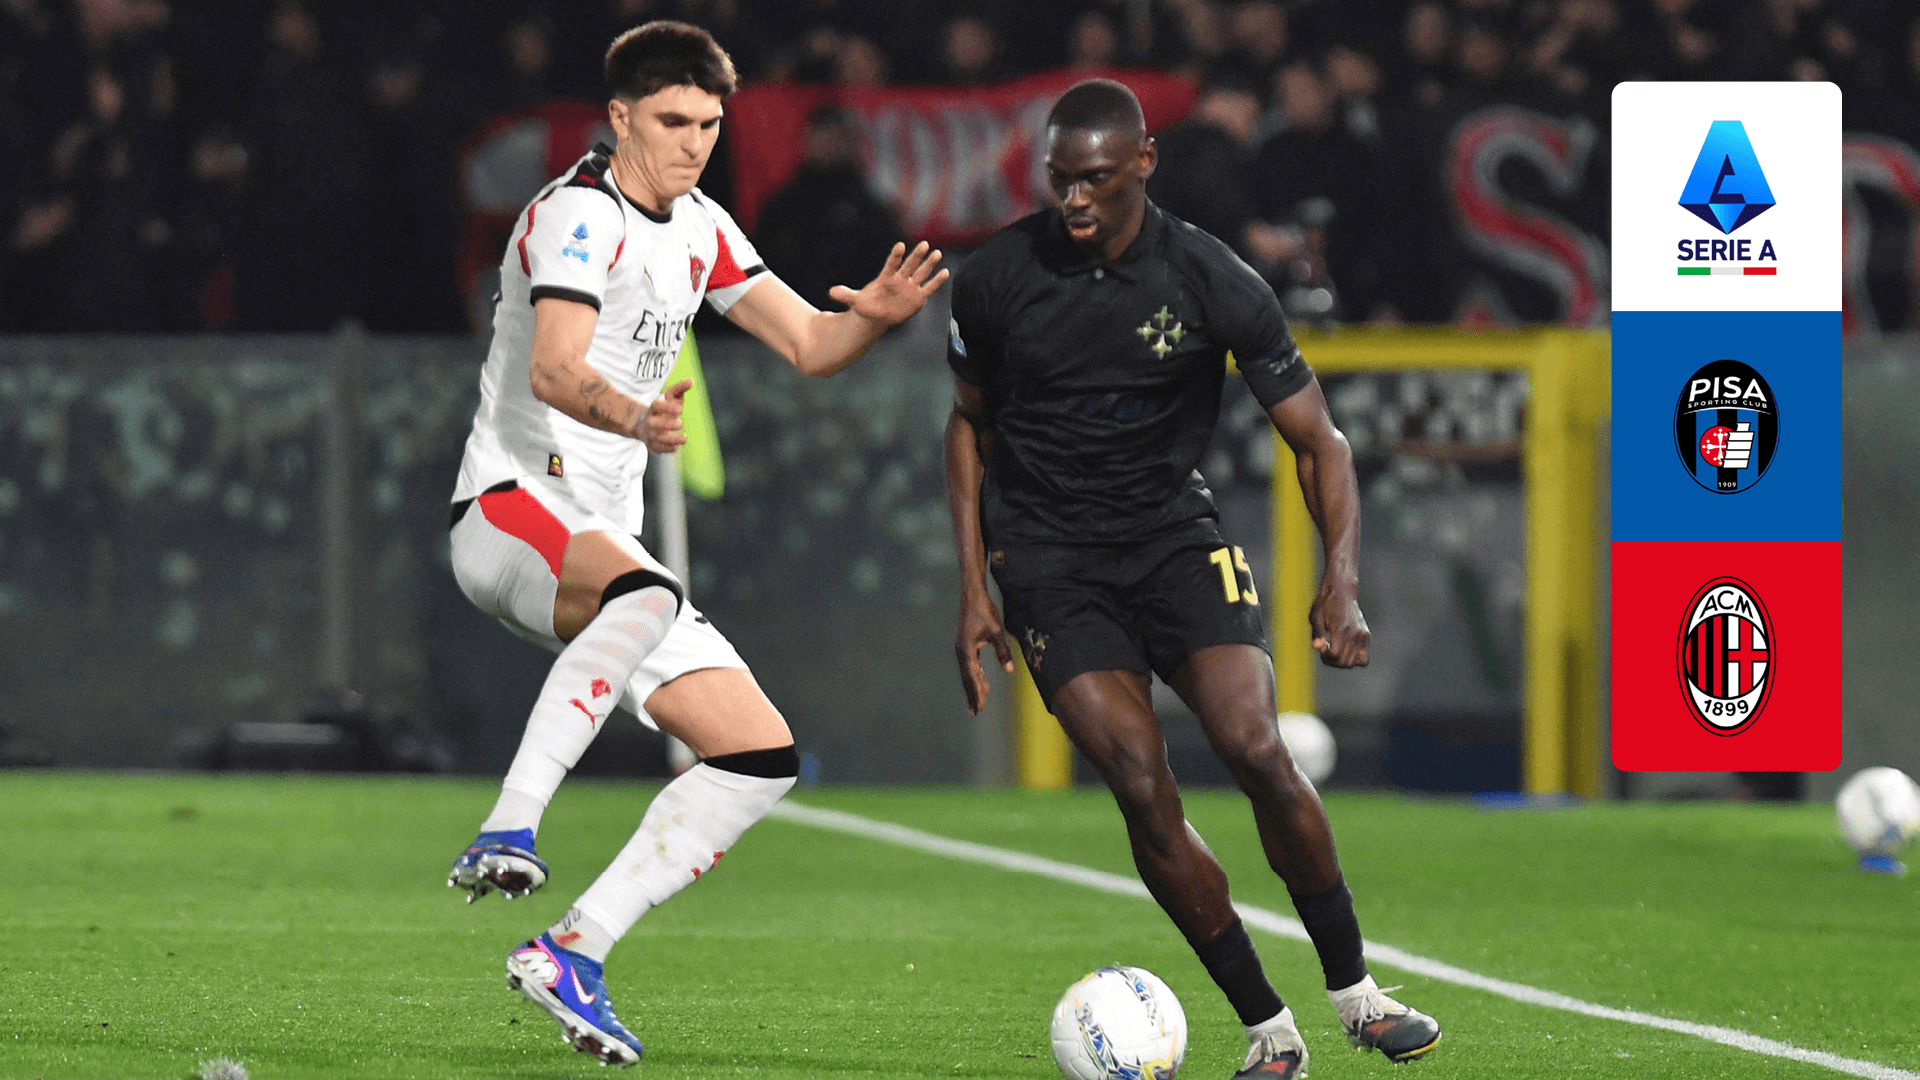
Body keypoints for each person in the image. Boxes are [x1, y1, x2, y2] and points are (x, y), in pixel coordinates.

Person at [444, 20, 946, 1067]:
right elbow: (553, 368)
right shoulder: (578, 215)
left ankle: (573, 950)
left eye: (710, 124)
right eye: (673, 121)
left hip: (612, 562)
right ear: (621, 117)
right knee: (646, 593)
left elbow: (811, 344)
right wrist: (633, 418)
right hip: (508, 511)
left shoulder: (703, 226)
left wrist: (875, 317)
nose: (694, 143)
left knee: (758, 756)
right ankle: (511, 825)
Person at [943, 79, 1439, 1079]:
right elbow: (968, 428)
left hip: (1173, 540)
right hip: (1049, 561)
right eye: (1060, 179)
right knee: (1139, 781)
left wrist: (1341, 582)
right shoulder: (995, 278)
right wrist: (974, 589)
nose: (1074, 199)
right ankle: (1270, 1031)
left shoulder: (1212, 277)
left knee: (1256, 746)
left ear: (1143, 163)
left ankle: (1358, 996)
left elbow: (1322, 443)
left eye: (1094, 179)